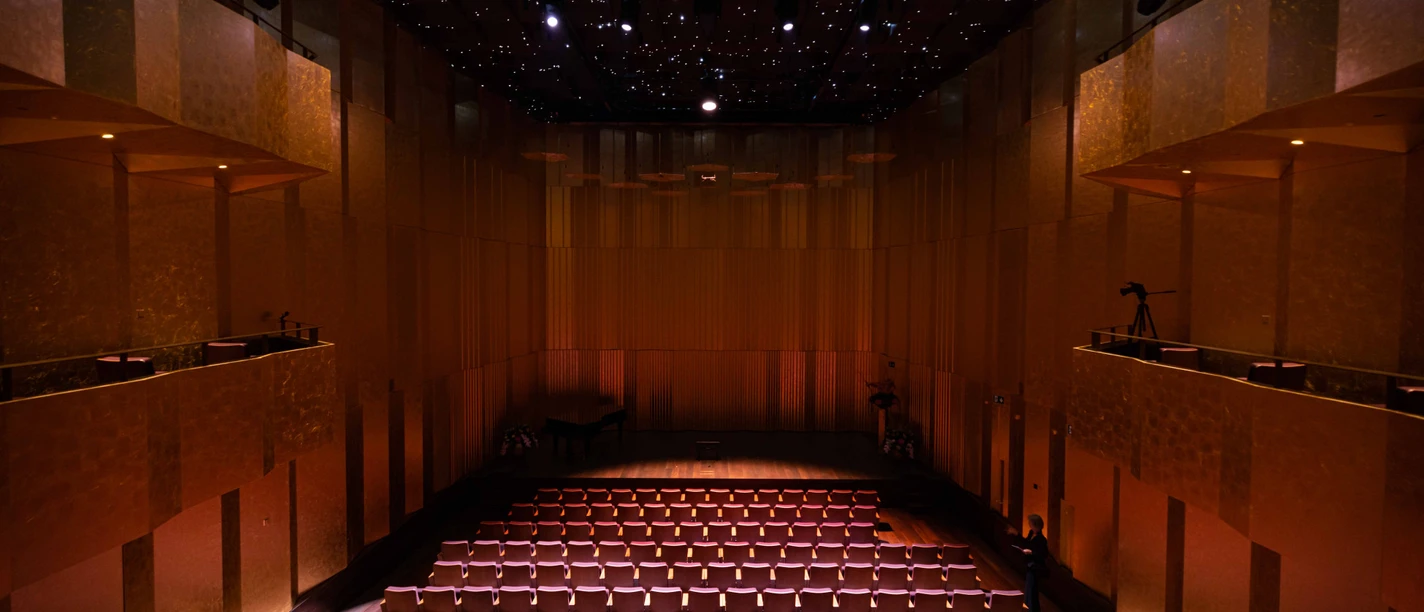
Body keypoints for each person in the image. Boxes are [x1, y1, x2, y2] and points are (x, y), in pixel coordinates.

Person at [1007, 514, 1050, 612]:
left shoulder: (1042, 540)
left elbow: (1043, 555)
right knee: (1028, 590)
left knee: (1032, 591)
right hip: (1030, 566)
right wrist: (1016, 534)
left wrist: (1031, 552)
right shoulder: (1031, 533)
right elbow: (1026, 543)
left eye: (1030, 523)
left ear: (1035, 524)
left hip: (1036, 568)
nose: (1029, 524)